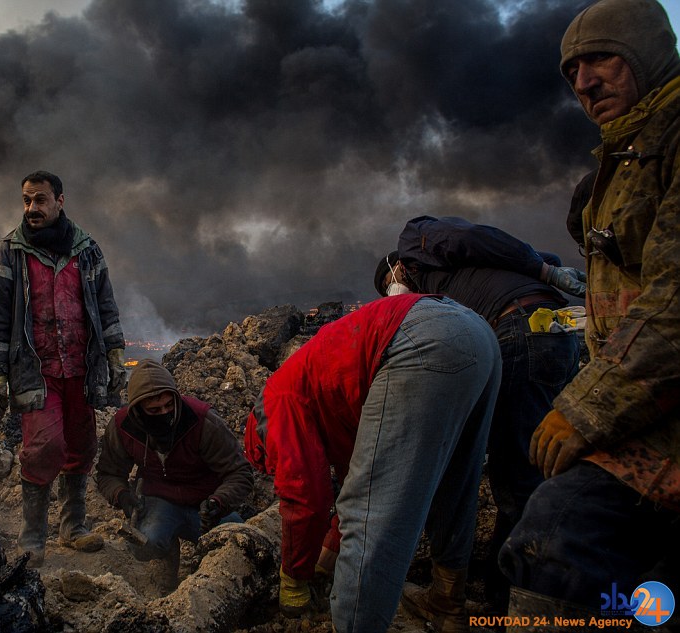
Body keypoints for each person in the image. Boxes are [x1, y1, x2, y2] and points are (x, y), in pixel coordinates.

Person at [499, 0, 680, 621]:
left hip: (659, 416)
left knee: (557, 540)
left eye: (600, 58)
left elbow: (675, 299)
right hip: (651, 410)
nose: (583, 81)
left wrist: (585, 409)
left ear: (648, 52)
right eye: (571, 69)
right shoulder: (625, 156)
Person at [244, 294, 501, 633]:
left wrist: (294, 576)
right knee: (454, 486)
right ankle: (447, 605)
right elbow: (357, 474)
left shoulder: (278, 402)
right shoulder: (328, 402)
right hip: (477, 332)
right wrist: (329, 553)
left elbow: (306, 498)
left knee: (372, 517)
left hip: (417, 341)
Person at [373, 215, 582, 612]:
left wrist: (544, 269)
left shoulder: (416, 240)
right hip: (553, 335)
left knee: (517, 481)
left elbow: (471, 237)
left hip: (519, 331)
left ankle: (511, 602)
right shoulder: (459, 281)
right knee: (541, 458)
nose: (395, 294)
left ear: (396, 268)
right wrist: (543, 266)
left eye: (389, 287)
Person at [0, 170, 126, 565]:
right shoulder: (9, 252)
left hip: (81, 367)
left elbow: (106, 306)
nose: (32, 208)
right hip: (36, 372)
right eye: (26, 200)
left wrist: (114, 354)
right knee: (44, 447)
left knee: (82, 446)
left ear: (60, 201)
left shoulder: (87, 250)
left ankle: (73, 526)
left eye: (40, 200)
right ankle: (32, 536)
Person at [95, 359, 253, 590]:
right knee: (143, 545)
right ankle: (167, 554)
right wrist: (122, 496)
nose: (165, 413)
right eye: (154, 410)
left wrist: (220, 501)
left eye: (169, 405)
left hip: (205, 503)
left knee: (238, 543)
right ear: (138, 409)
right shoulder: (123, 426)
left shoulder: (202, 421)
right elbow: (108, 473)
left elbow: (240, 472)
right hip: (160, 499)